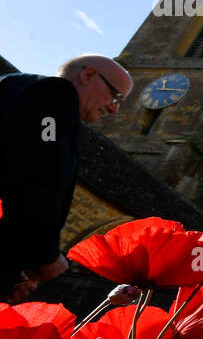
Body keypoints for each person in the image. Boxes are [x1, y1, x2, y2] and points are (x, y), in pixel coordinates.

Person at [0, 55, 133, 303]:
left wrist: (11, 271)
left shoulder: (15, 87)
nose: (114, 109)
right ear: (88, 75)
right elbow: (41, 171)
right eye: (115, 96)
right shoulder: (54, 95)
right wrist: (46, 255)